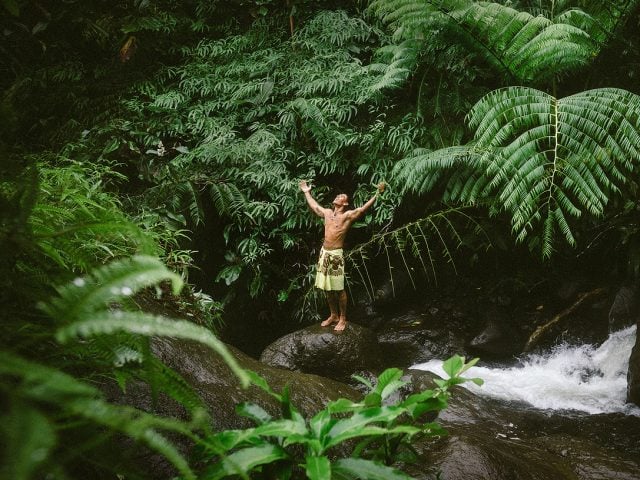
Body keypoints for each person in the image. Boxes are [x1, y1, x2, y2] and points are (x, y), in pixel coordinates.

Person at [299, 180, 385, 331]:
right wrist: (306, 192)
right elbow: (314, 205)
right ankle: (333, 315)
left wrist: (378, 193)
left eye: (341, 196)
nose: (338, 196)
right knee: (327, 288)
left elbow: (363, 209)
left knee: (338, 288)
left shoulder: (347, 216)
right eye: (338, 195)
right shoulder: (326, 213)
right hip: (324, 253)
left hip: (336, 255)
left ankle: (343, 317)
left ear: (344, 204)